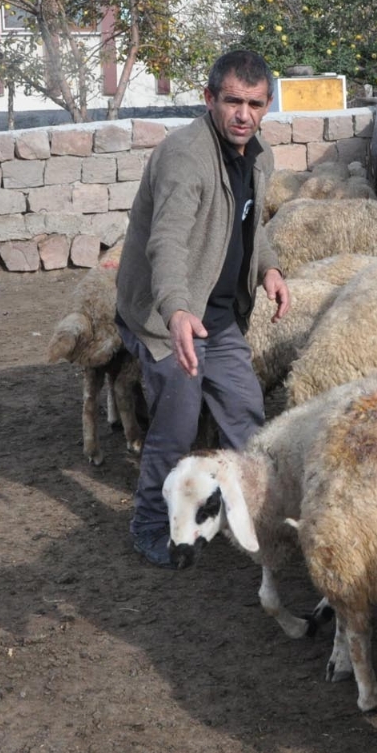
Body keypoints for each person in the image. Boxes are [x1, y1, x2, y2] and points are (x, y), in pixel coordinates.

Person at [114, 49, 290, 567]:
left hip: (216, 315)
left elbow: (250, 226)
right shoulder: (185, 157)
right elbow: (166, 242)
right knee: (177, 423)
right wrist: (175, 312)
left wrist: (269, 268)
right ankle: (149, 525)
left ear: (266, 106)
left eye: (255, 104)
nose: (243, 114)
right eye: (232, 101)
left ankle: (256, 513)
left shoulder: (259, 156)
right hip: (166, 317)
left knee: (246, 414)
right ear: (209, 98)